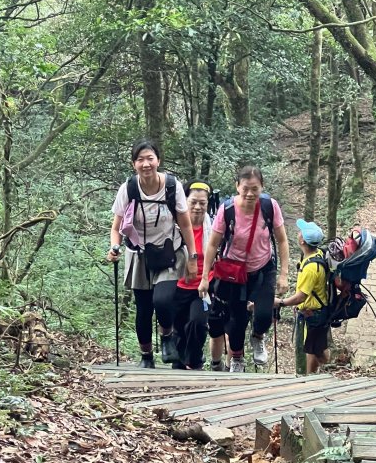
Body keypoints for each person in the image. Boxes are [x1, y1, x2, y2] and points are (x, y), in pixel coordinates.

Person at [107, 139, 197, 368]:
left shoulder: (172, 186)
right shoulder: (128, 189)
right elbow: (116, 227)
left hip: (169, 252)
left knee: (163, 300)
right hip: (139, 254)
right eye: (140, 160)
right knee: (144, 308)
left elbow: (185, 224)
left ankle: (167, 335)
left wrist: (193, 256)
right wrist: (114, 247)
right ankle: (146, 356)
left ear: (158, 160)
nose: (146, 164)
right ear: (133, 164)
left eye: (150, 158)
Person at [199, 165, 289, 373]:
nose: (250, 193)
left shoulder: (269, 206)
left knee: (265, 315)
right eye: (245, 188)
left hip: (263, 267)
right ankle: (237, 358)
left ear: (262, 187)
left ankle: (258, 335)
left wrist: (283, 275)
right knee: (236, 321)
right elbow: (213, 244)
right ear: (237, 186)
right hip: (234, 272)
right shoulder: (227, 210)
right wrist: (205, 277)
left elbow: (282, 240)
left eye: (255, 189)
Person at [276, 218, 330, 374]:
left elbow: (300, 297)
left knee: (316, 350)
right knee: (312, 348)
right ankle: (312, 375)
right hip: (314, 313)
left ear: (303, 241)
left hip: (315, 314)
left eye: (300, 232)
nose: (298, 233)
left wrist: (280, 303)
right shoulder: (317, 254)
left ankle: (319, 376)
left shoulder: (311, 268)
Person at [172, 181, 214, 370]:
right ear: (185, 202)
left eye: (202, 203)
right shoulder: (175, 225)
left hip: (202, 285)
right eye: (193, 202)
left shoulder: (213, 227)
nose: (198, 207)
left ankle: (195, 361)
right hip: (178, 285)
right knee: (179, 327)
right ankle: (179, 362)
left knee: (198, 323)